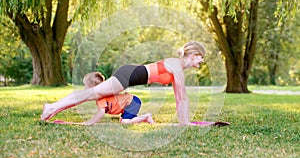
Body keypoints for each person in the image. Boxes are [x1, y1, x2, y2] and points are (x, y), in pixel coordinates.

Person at [41, 41, 206, 125]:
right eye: (201, 57)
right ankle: (52, 107)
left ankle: (54, 109)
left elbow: (180, 97)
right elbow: (182, 97)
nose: (202, 61)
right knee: (93, 93)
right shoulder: (177, 65)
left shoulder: (177, 67)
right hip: (129, 74)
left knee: (92, 94)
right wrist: (185, 123)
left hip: (130, 75)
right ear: (193, 55)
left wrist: (184, 122)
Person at [46, 72, 154, 125]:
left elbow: (101, 113)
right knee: (123, 119)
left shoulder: (101, 97)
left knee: (125, 121)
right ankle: (141, 117)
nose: (84, 89)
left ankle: (146, 117)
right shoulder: (104, 93)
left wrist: (90, 122)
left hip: (132, 102)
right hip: (131, 101)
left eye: (86, 86)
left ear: (93, 88)